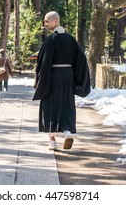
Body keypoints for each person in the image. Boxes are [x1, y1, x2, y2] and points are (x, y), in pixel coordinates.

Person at [33, 11, 90, 150]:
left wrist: (39, 79)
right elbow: (81, 60)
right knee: (66, 103)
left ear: (55, 22)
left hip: (52, 75)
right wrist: (76, 78)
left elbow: (44, 62)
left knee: (49, 104)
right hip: (68, 76)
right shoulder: (71, 40)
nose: (45, 24)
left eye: (47, 21)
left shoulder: (50, 40)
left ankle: (52, 141)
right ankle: (68, 131)